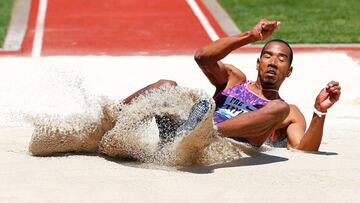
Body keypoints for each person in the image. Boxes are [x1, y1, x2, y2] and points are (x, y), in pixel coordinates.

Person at [121, 19, 341, 152]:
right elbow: (202, 57)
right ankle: (111, 118)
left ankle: (203, 131)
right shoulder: (235, 80)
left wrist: (319, 112)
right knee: (165, 85)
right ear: (258, 62)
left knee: (279, 107)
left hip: (222, 144)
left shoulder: (289, 112)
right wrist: (251, 36)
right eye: (267, 56)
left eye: (282, 59)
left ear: (289, 71)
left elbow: (303, 149)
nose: (273, 62)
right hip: (180, 138)